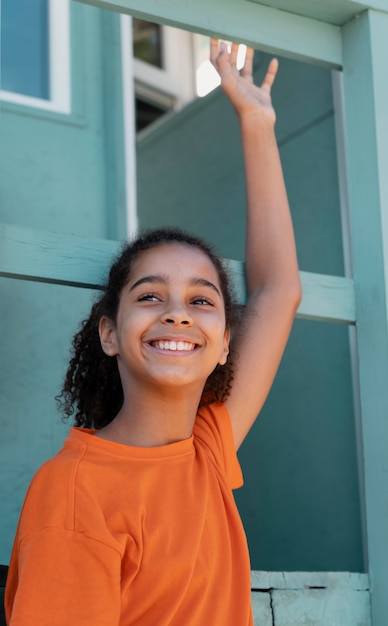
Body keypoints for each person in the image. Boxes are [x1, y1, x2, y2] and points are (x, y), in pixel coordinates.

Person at [4, 40, 301, 625]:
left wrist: (257, 123)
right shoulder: (72, 491)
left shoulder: (208, 451)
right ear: (110, 334)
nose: (178, 313)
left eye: (201, 300)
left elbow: (277, 293)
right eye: (149, 296)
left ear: (222, 347)